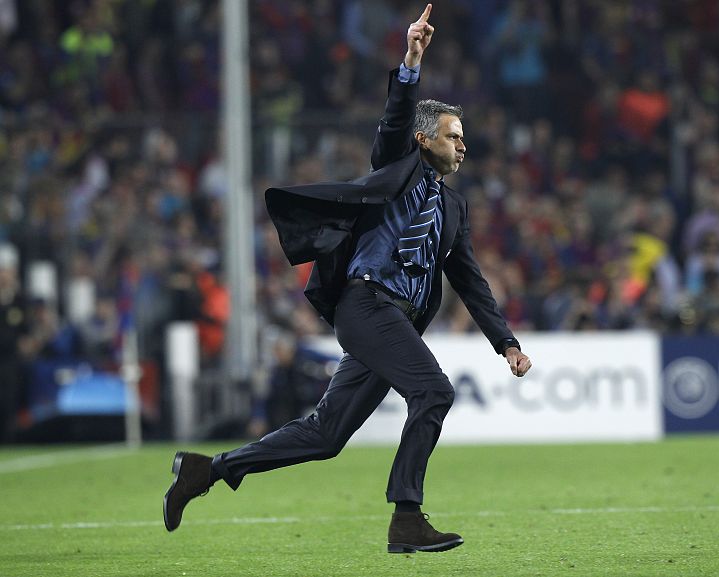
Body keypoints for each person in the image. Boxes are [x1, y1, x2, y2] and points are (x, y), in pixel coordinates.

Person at [163, 4, 531, 554]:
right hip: (368, 305)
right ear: (425, 139)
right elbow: (393, 120)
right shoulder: (397, 165)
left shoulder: (454, 209)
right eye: (454, 137)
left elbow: (471, 281)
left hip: (391, 321)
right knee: (433, 391)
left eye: (464, 139)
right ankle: (407, 517)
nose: (463, 147)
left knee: (326, 435)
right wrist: (410, 59)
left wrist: (506, 342)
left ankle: (207, 471)